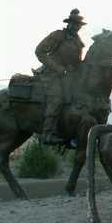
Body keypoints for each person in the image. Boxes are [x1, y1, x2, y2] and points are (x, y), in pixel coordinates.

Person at [35, 8, 86, 144]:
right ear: (68, 23)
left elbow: (76, 61)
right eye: (74, 24)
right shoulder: (58, 36)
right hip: (51, 74)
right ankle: (47, 134)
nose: (76, 27)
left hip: (69, 77)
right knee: (56, 99)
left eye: (78, 25)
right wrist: (58, 68)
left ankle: (72, 134)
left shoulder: (78, 41)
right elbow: (39, 51)